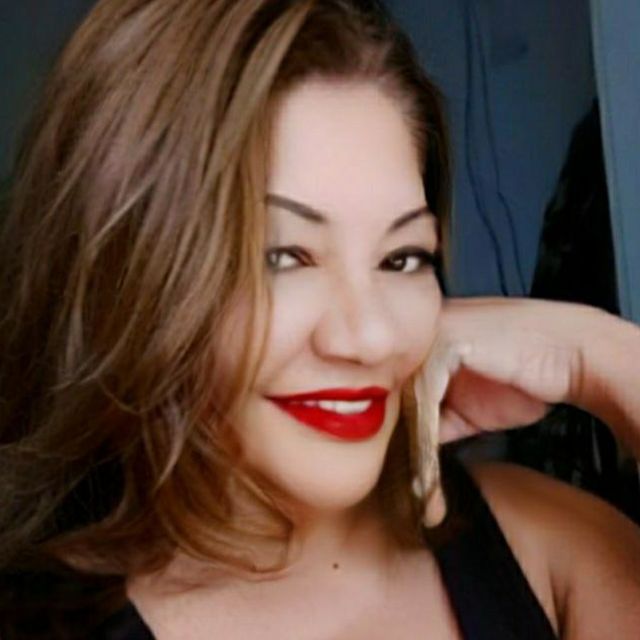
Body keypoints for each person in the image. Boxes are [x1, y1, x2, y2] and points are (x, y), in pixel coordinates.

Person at [0, 0, 639, 638]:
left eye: (401, 258)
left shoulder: (544, 549)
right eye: (283, 256)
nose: (371, 338)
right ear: (128, 269)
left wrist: (597, 357)